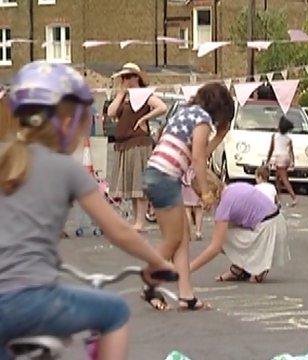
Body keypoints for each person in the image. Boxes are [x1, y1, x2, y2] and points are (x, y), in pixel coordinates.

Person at [0, 61, 175, 360]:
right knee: (115, 312)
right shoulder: (66, 168)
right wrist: (157, 262)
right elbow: (118, 229)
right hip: (32, 299)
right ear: (67, 123)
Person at [143, 82, 234, 311]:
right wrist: (204, 192)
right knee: (173, 240)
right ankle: (149, 282)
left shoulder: (186, 113)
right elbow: (198, 160)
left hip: (158, 174)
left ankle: (186, 295)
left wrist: (220, 136)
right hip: (166, 176)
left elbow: (198, 152)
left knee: (182, 238)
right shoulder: (202, 119)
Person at [190, 176, 290, 284]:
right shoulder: (232, 189)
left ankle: (253, 266)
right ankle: (243, 267)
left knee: (222, 237)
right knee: (225, 230)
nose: (200, 201)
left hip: (268, 228)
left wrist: (188, 269)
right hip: (276, 223)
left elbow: (215, 247)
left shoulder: (224, 205)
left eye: (200, 196)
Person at [107, 63, 167, 232]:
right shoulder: (124, 96)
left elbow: (162, 107)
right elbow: (111, 112)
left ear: (136, 77)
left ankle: (141, 221)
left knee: (140, 185)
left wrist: (144, 119)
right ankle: (136, 221)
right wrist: (121, 93)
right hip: (124, 143)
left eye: (128, 77)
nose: (124, 80)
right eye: (123, 77)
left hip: (138, 143)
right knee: (132, 186)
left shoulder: (144, 94)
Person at [267, 116, 296, 206]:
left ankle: (294, 197)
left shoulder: (275, 136)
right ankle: (278, 198)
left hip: (279, 158)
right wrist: (292, 161)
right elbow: (291, 151)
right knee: (277, 178)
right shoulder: (288, 139)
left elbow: (271, 149)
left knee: (284, 179)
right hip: (286, 158)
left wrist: (268, 159)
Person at [182, 167, 204, 241]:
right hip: (196, 181)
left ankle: (188, 234)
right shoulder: (198, 157)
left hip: (184, 182)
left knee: (187, 209)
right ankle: (198, 232)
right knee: (199, 208)